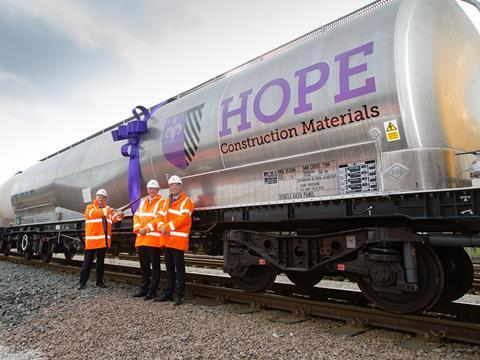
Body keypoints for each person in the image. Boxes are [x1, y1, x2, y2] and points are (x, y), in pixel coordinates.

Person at [154, 175, 195, 306]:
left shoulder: (187, 201)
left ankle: (179, 295)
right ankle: (168, 293)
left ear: (180, 186)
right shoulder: (167, 201)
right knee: (169, 269)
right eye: (171, 185)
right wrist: (160, 225)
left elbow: (183, 219)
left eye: (176, 185)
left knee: (179, 269)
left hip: (177, 241)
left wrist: (167, 227)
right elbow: (160, 215)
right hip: (166, 240)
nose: (173, 187)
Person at [78, 188, 124, 289]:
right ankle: (82, 283)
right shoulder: (90, 207)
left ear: (105, 199)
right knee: (87, 262)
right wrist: (107, 210)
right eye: (99, 197)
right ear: (96, 197)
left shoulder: (106, 209)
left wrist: (121, 215)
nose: (101, 199)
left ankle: (99, 282)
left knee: (100, 263)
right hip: (92, 241)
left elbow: (113, 219)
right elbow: (93, 214)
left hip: (102, 241)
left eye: (103, 197)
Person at [132, 179, 164, 300]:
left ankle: (152, 291)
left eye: (154, 189)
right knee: (144, 266)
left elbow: (159, 219)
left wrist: (146, 229)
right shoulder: (143, 202)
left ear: (158, 190)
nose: (152, 191)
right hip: (141, 240)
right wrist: (138, 229)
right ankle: (143, 288)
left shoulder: (161, 202)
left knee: (155, 267)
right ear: (147, 190)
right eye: (150, 189)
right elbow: (136, 216)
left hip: (153, 241)